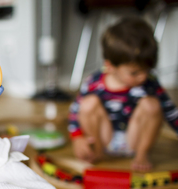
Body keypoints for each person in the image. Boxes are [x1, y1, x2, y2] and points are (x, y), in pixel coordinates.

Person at [68, 17, 178, 172]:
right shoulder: (94, 82)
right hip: (104, 139)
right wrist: (77, 138)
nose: (143, 76)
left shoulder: (150, 84)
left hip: (134, 140)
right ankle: (97, 152)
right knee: (88, 103)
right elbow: (75, 111)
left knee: (152, 104)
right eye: (134, 72)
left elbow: (170, 112)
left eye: (147, 70)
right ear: (110, 66)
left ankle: (142, 154)